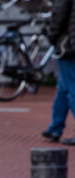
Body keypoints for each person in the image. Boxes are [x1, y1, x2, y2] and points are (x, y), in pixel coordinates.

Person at [43, 0, 75, 145]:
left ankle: (56, 127)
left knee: (72, 89)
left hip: (70, 45)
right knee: (63, 87)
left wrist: (52, 36)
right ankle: (55, 127)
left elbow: (59, 15)